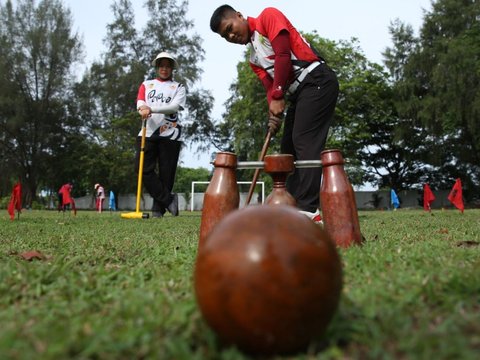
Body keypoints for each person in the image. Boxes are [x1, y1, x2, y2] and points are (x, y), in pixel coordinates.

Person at [210, 5, 339, 223]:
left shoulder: (268, 16)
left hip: (317, 80)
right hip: (298, 93)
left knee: (303, 140)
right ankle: (290, 207)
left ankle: (309, 211)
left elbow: (282, 54)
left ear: (239, 16)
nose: (231, 36)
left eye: (230, 28)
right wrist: (274, 110)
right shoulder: (254, 60)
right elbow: (270, 89)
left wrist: (278, 94)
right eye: (225, 36)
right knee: (287, 150)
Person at [136, 52, 186, 218]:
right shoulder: (146, 84)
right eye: (161, 65)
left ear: (172, 68)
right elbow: (140, 102)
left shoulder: (179, 87)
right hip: (147, 132)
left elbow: (174, 107)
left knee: (167, 173)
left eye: (168, 65)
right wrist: (142, 108)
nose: (164, 68)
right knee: (142, 169)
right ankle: (169, 199)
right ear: (157, 67)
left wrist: (152, 109)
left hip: (171, 134)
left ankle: (158, 209)